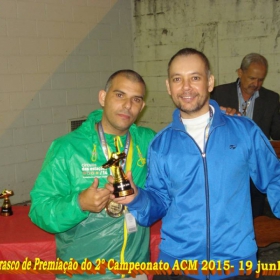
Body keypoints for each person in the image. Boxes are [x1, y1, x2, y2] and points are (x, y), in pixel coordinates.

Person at [106, 48, 280, 280]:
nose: (186, 87)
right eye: (178, 79)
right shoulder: (161, 144)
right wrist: (136, 198)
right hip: (177, 267)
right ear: (169, 87)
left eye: (195, 78)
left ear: (209, 82)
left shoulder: (244, 131)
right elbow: (157, 203)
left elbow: (275, 177)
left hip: (236, 266)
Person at [29, 69, 156, 280]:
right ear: (103, 98)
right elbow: (39, 210)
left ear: (142, 106)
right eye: (119, 95)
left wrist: (223, 116)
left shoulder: (148, 141)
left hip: (135, 272)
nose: (127, 105)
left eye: (136, 99)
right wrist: (79, 203)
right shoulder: (67, 148)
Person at [211, 53, 280, 218]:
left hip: (256, 170)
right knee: (227, 215)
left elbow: (277, 133)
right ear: (239, 72)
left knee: (255, 217)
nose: (256, 84)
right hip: (226, 169)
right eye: (252, 78)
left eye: (261, 79)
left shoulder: (271, 99)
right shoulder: (219, 93)